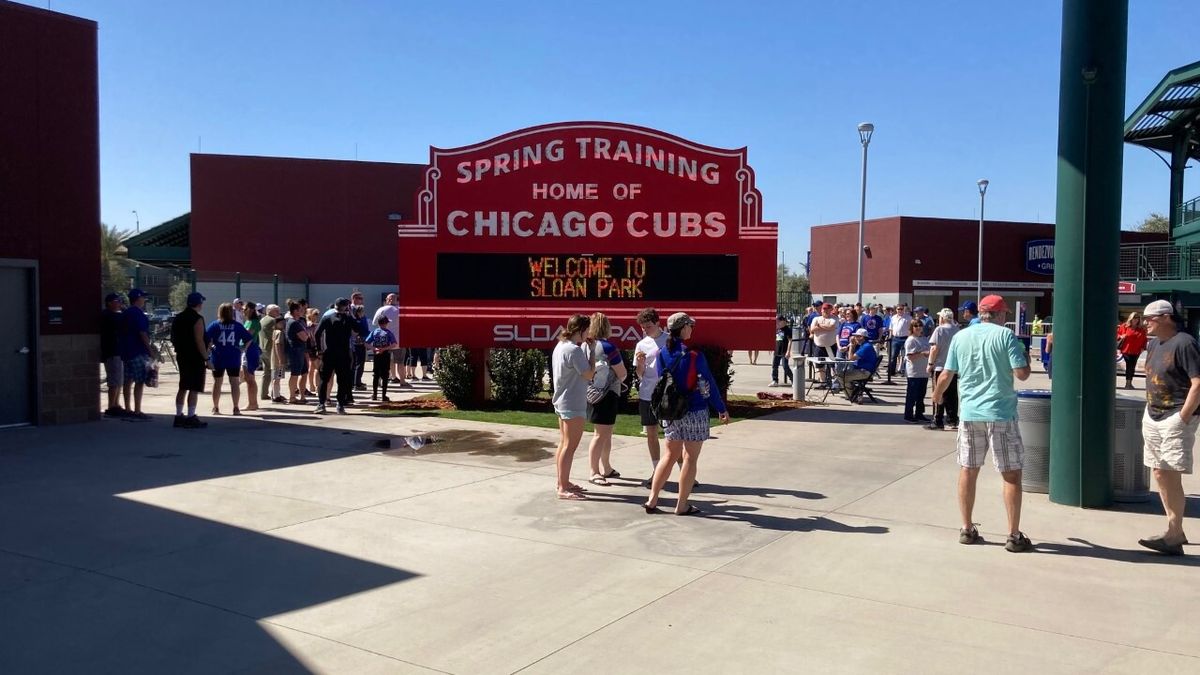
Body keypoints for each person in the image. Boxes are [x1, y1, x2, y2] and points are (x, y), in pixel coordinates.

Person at [932, 294, 1033, 552]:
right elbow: (1022, 374)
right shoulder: (1005, 336)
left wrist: (936, 394)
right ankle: (1013, 535)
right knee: (1010, 474)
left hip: (970, 413)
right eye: (1005, 313)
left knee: (968, 469)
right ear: (999, 314)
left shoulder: (961, 336)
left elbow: (946, 373)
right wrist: (1024, 355)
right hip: (1000, 412)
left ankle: (966, 528)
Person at [644, 313, 729, 516]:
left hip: (671, 411)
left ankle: (652, 499)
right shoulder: (694, 355)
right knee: (690, 458)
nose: (692, 329)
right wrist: (721, 408)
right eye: (690, 325)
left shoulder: (662, 353)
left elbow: (660, 378)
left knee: (670, 455)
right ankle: (681, 505)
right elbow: (708, 383)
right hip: (694, 410)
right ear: (682, 328)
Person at [1137, 299, 1199, 556]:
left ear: (1165, 317)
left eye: (1149, 318)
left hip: (1175, 415)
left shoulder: (1185, 343)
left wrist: (1183, 417)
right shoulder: (1153, 343)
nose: (1145, 323)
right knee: (1160, 472)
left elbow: (1198, 382)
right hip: (1153, 415)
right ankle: (1174, 531)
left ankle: (1174, 533)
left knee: (1169, 472)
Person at [552, 314, 596, 500]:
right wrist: (592, 351)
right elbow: (588, 374)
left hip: (563, 401)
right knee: (569, 446)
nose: (589, 333)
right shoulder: (574, 350)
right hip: (572, 403)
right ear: (580, 330)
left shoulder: (560, 346)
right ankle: (563, 487)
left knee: (564, 444)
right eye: (587, 329)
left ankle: (562, 481)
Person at [582, 313, 627, 485]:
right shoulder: (608, 347)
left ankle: (606, 468)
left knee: (605, 433)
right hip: (606, 394)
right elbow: (622, 373)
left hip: (590, 392)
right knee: (601, 435)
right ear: (606, 327)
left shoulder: (585, 346)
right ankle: (594, 471)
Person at [634, 307, 670, 488]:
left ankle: (684, 469)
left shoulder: (670, 341)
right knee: (651, 434)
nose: (645, 330)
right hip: (647, 394)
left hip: (668, 395)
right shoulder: (641, 345)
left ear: (657, 323)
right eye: (642, 327)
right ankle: (656, 471)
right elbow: (640, 374)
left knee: (673, 435)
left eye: (648, 326)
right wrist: (640, 364)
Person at [205, 302, 253, 415]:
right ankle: (236, 408)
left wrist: (210, 348)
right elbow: (249, 339)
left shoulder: (214, 325)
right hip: (233, 356)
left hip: (218, 356)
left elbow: (206, 339)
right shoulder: (237, 325)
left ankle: (215, 407)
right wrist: (242, 349)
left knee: (217, 382)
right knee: (234, 382)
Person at [170, 292, 209, 428]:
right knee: (194, 387)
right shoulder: (197, 319)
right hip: (195, 356)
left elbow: (173, 337)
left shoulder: (178, 318)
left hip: (182, 355)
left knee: (183, 386)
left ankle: (178, 415)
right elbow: (199, 340)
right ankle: (191, 416)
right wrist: (206, 358)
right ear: (198, 303)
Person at [314, 297, 357, 414]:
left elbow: (317, 333)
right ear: (345, 307)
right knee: (342, 380)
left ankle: (321, 403)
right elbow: (359, 329)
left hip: (329, 352)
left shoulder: (327, 318)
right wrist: (352, 315)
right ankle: (340, 404)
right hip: (343, 353)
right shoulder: (348, 319)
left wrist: (319, 349)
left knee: (324, 379)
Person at [119, 288, 153, 420]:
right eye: (143, 297)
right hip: (137, 351)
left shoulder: (125, 313)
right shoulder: (138, 314)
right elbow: (142, 334)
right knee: (139, 380)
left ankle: (128, 408)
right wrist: (150, 350)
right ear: (138, 299)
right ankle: (137, 410)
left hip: (125, 351)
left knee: (127, 380)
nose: (144, 300)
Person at [926, 308, 960, 431]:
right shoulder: (956, 330)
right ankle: (953, 419)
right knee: (952, 394)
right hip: (953, 367)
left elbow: (934, 348)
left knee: (938, 392)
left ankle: (937, 419)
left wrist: (930, 363)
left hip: (940, 366)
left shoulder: (939, 330)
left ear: (942, 318)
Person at [100, 293, 126, 418]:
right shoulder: (107, 315)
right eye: (117, 301)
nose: (120, 303)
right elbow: (120, 323)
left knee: (119, 380)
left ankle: (116, 404)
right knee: (114, 380)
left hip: (118, 351)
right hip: (111, 352)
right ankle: (111, 406)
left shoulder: (116, 315)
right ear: (109, 302)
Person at [373, 293, 407, 387]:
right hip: (399, 340)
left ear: (387, 300)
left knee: (382, 362)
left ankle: (382, 380)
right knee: (400, 362)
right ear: (397, 299)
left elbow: (374, 322)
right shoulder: (402, 310)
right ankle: (402, 382)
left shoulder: (381, 309)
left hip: (384, 341)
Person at [904, 319, 931, 423]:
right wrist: (922, 353)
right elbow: (910, 356)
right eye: (916, 326)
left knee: (921, 395)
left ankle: (919, 413)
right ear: (912, 328)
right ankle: (908, 415)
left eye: (920, 325)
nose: (918, 327)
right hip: (914, 372)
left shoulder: (924, 339)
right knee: (912, 395)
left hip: (923, 371)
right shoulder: (911, 340)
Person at [835, 328, 878, 395]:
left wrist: (851, 346)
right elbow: (853, 356)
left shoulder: (866, 347)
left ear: (861, 337)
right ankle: (853, 392)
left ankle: (851, 394)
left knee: (841, 376)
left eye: (856, 336)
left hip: (864, 372)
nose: (854, 338)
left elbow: (851, 358)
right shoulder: (864, 345)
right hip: (861, 369)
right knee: (842, 373)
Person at [284, 301, 311, 404]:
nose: (303, 311)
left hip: (301, 350)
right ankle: (292, 397)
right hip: (295, 351)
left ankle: (302, 396)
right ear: (295, 311)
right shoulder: (293, 323)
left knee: (304, 373)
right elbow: (304, 337)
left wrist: (306, 334)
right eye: (300, 309)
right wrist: (307, 334)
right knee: (295, 374)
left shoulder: (298, 322)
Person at [368, 314, 397, 401]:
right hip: (385, 355)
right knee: (385, 375)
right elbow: (394, 344)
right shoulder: (388, 333)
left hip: (376, 355)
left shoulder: (374, 332)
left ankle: (375, 394)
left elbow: (366, 343)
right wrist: (384, 349)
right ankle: (384, 395)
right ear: (385, 323)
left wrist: (375, 348)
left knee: (376, 375)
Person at [1117, 311, 1148, 390]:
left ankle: (1129, 383)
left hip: (1136, 351)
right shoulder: (1124, 326)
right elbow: (1117, 335)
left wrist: (1142, 348)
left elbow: (1144, 339)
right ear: (1131, 318)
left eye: (1137, 318)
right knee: (1128, 367)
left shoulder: (1141, 329)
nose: (1136, 320)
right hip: (1126, 350)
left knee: (1132, 367)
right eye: (1134, 318)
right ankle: (1128, 383)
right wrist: (1121, 336)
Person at [241, 301, 261, 411]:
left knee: (250, 378)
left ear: (250, 309)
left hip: (250, 350)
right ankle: (252, 402)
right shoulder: (248, 321)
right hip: (245, 350)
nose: (243, 311)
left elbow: (247, 335)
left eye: (245, 309)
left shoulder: (254, 322)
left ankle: (252, 403)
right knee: (248, 377)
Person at [259, 304, 281, 402]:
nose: (278, 313)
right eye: (276, 311)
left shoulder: (262, 320)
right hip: (271, 349)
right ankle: (275, 394)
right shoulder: (273, 321)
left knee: (266, 372)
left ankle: (264, 393)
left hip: (262, 348)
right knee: (274, 372)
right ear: (270, 311)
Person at [886, 303, 912, 383]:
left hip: (905, 338)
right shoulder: (893, 318)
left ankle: (903, 371)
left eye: (901, 309)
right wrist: (890, 337)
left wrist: (910, 338)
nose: (899, 310)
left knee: (905, 356)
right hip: (895, 338)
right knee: (893, 356)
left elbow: (911, 329)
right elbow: (891, 328)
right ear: (896, 310)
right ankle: (892, 371)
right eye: (898, 309)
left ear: (903, 309)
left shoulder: (908, 318)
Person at [770, 315, 793, 387]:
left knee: (785, 366)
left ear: (783, 321)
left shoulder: (787, 330)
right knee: (774, 366)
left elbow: (790, 341)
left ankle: (793, 380)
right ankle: (775, 380)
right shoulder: (777, 329)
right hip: (777, 350)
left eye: (778, 321)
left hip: (784, 351)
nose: (777, 323)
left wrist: (788, 351)